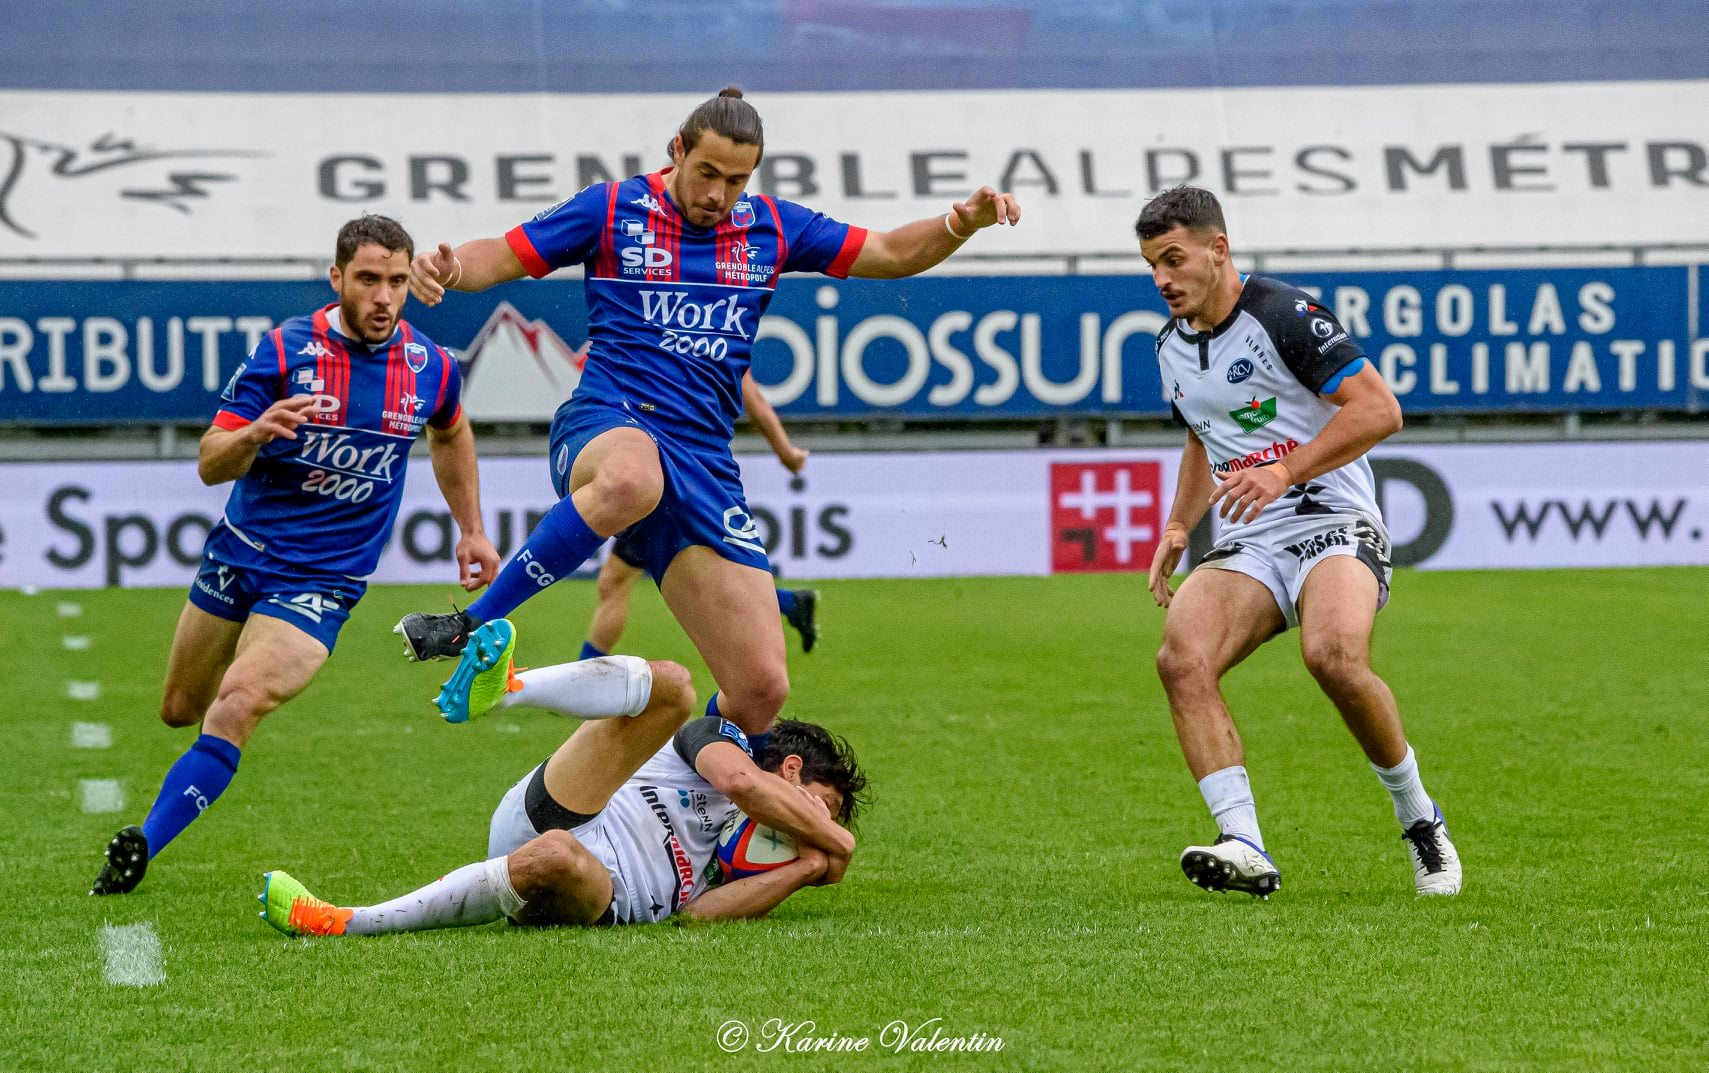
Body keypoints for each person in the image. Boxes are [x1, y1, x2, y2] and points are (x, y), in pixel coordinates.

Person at [393, 86, 1019, 742]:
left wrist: (960, 223)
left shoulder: (772, 227)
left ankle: (651, 802)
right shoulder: (611, 209)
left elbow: (891, 253)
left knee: (759, 689)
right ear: (677, 151)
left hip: (704, 464)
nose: (719, 195)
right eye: (707, 174)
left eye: (737, 180)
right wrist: (452, 266)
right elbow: (503, 254)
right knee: (633, 478)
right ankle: (473, 624)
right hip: (608, 421)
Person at [89, 215, 500, 895]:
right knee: (179, 706)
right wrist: (253, 433)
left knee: (235, 703)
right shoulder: (285, 350)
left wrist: (472, 528)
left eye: (397, 281)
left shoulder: (429, 366)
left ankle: (141, 846)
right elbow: (209, 464)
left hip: (322, 580)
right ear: (336, 277)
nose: (384, 297)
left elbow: (451, 430)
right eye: (368, 279)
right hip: (240, 554)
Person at [1137, 186, 1461, 899]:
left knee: (1333, 657)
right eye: (1151, 266)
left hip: (1332, 519)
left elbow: (1380, 409)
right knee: (1180, 655)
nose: (1161, 279)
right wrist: (1176, 525)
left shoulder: (1283, 315)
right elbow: (1202, 435)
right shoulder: (1170, 347)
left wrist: (1282, 469)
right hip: (1255, 540)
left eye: (1172, 259)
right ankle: (1243, 842)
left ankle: (1418, 818)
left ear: (1217, 250)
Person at [258, 621, 865, 933]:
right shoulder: (720, 741)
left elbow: (700, 918)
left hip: (596, 891)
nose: (815, 828)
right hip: (565, 807)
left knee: (556, 855)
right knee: (675, 685)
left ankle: (341, 919)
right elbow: (740, 786)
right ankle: (509, 688)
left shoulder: (765, 857)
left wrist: (809, 868)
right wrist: (839, 844)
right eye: (822, 806)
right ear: (790, 769)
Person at [584, 370, 819, 660]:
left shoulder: (699, 337)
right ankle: (789, 602)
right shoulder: (706, 335)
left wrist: (786, 453)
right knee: (689, 575)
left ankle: (581, 682)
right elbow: (752, 397)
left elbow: (753, 398)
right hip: (675, 471)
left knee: (623, 579)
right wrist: (787, 454)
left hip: (672, 474)